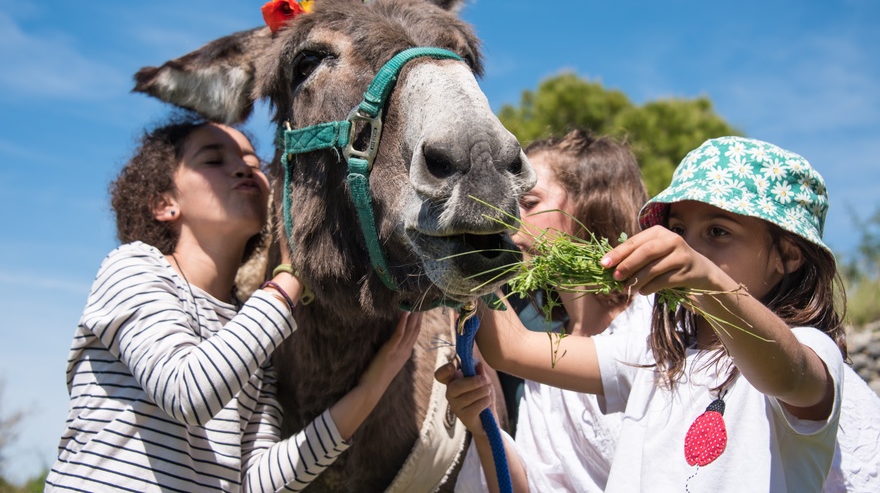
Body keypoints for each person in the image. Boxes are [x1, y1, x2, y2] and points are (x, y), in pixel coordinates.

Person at [444, 136, 851, 492]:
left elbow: (787, 374)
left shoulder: (809, 349)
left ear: (789, 256)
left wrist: (707, 280)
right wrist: (460, 247)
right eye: (679, 230)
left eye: (718, 232)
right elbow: (511, 349)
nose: (690, 246)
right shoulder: (657, 356)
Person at [46, 116, 422, 492]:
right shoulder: (133, 269)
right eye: (213, 160)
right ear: (164, 204)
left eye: (254, 163)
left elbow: (256, 482)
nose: (244, 167)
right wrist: (290, 276)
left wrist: (374, 386)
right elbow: (186, 394)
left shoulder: (252, 328)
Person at [437, 130, 654, 492]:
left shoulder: (654, 324)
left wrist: (464, 249)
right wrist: (481, 424)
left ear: (589, 205)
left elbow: (509, 348)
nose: (508, 220)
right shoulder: (544, 377)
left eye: (530, 202)